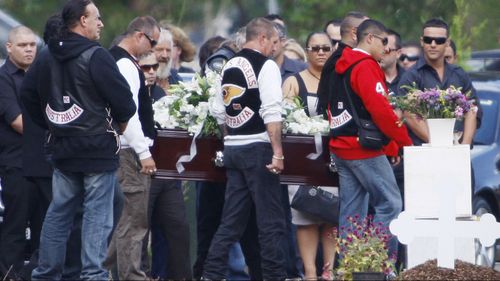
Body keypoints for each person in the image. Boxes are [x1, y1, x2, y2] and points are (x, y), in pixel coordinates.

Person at [21, 0, 136, 279]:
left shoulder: (46, 55)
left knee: (59, 213)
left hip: (62, 148)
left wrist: (52, 124)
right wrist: (119, 125)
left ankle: (46, 274)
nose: (101, 23)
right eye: (96, 18)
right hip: (96, 148)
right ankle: (92, 275)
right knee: (98, 215)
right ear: (82, 20)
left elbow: (27, 95)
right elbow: (125, 102)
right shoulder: (96, 56)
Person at [202, 17, 287, 280]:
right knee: (270, 221)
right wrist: (278, 152)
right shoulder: (267, 66)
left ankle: (210, 274)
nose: (275, 48)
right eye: (273, 42)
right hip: (259, 148)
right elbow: (272, 112)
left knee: (230, 222)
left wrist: (231, 140)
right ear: (262, 38)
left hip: (233, 149)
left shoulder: (228, 65)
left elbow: (218, 111)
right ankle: (274, 276)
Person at [328, 19, 413, 264]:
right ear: (370, 39)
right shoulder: (365, 65)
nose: (386, 47)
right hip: (362, 149)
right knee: (390, 204)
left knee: (352, 214)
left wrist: (390, 145)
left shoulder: (340, 64)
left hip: (342, 145)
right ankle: (375, 264)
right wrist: (403, 141)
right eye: (384, 41)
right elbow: (380, 110)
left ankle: (350, 269)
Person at [193, 36, 262, 281]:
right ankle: (208, 274)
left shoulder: (240, 63)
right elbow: (218, 103)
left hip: (231, 154)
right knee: (224, 225)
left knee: (233, 227)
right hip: (223, 157)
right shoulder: (225, 62)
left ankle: (209, 273)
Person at [105, 15, 160, 281]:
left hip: (121, 149)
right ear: (139, 35)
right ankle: (131, 276)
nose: (152, 48)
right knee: (133, 222)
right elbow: (129, 114)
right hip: (129, 152)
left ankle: (96, 270)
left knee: (124, 220)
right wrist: (144, 152)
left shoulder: (111, 58)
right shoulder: (126, 65)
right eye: (152, 42)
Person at [282, 32, 337, 280]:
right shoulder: (294, 81)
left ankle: (329, 271)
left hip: (333, 159)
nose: (321, 53)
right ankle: (310, 273)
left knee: (330, 213)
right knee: (305, 216)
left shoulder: (339, 80)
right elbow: (285, 119)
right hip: (302, 160)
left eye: (326, 48)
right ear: (307, 51)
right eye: (316, 48)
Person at [398, 18, 480, 147]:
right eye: (428, 40)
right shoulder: (411, 76)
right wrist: (440, 145)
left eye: (439, 40)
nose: (433, 44)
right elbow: (409, 114)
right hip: (424, 153)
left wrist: (464, 146)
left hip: (458, 153)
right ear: (422, 41)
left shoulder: (459, 74)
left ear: (447, 43)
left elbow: (472, 109)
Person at [0, 25, 37, 279]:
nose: (29, 49)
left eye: (32, 45)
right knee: (15, 225)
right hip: (15, 162)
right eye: (23, 45)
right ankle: (8, 275)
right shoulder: (3, 79)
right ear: (9, 47)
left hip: (42, 162)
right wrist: (53, 130)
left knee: (43, 226)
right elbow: (17, 122)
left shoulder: (39, 75)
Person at [317, 11, 369, 119]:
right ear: (354, 33)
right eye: (368, 32)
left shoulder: (345, 58)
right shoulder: (342, 60)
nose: (372, 38)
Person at [153, 28, 182, 92]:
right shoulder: (142, 80)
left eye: (168, 50)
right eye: (159, 50)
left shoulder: (176, 79)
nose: (165, 55)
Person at [380, 29, 404, 96]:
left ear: (398, 53)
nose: (380, 54)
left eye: (387, 51)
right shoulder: (370, 77)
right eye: (379, 49)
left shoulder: (409, 78)